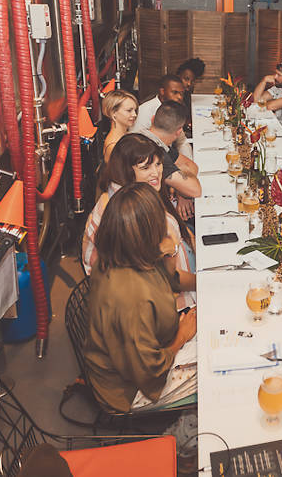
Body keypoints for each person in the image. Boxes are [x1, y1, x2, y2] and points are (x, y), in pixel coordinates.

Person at [84, 183, 197, 459]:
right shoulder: (129, 298)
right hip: (128, 389)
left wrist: (203, 279)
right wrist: (182, 336)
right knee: (215, 365)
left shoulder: (125, 253)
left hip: (138, 349)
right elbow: (149, 369)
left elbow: (170, 278)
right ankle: (183, 440)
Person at [82, 134, 196, 294]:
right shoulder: (128, 212)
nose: (156, 173)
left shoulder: (134, 193)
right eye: (145, 168)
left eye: (158, 164)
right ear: (126, 171)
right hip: (158, 300)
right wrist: (207, 283)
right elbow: (168, 280)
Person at [141, 102, 202, 219]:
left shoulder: (147, 137)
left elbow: (191, 165)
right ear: (179, 132)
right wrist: (182, 187)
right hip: (146, 215)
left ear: (152, 119)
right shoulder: (153, 151)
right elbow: (195, 190)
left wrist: (180, 189)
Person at [132, 74, 191, 157]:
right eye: (175, 92)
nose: (179, 97)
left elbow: (181, 141)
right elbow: (135, 143)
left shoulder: (175, 109)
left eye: (182, 93)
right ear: (162, 91)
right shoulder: (145, 111)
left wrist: (188, 160)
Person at [101, 90, 138, 163]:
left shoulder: (127, 136)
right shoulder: (113, 146)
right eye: (129, 110)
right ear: (113, 113)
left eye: (135, 110)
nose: (134, 114)